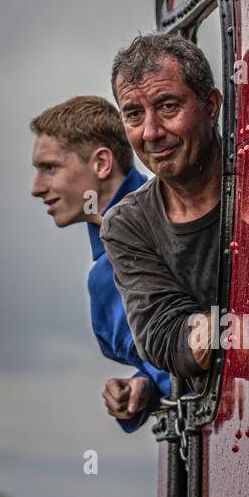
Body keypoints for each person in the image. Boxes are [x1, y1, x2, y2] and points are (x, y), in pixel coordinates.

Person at [30, 95, 171, 430]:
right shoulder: (104, 267)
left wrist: (155, 381)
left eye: (50, 168)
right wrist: (145, 385)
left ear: (102, 163)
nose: (36, 188)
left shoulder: (171, 223)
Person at [100, 34, 222, 385]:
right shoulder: (127, 225)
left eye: (168, 106)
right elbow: (165, 337)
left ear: (210, 107)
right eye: (134, 115)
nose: (151, 132)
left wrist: (213, 327)